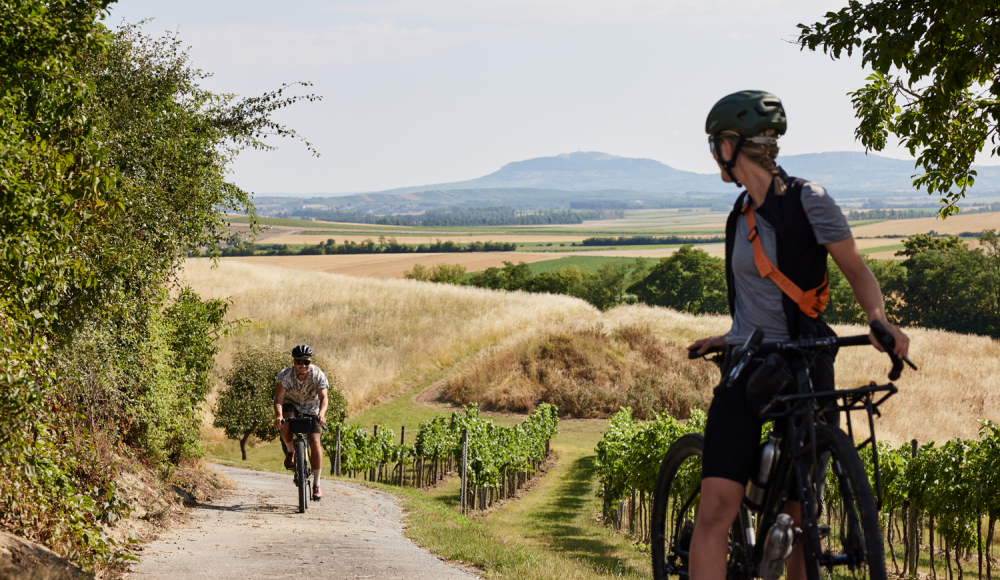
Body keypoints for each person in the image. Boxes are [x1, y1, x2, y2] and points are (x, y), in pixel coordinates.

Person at [688, 90, 910, 580]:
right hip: (747, 369)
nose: (713, 156)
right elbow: (754, 304)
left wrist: (878, 318)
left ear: (729, 145)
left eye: (714, 145)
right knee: (716, 510)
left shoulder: (810, 200)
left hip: (806, 366)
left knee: (801, 521)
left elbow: (856, 269)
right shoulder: (740, 213)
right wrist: (729, 337)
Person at [274, 344, 330, 501]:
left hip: (312, 409)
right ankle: (291, 451)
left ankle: (317, 484)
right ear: (294, 362)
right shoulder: (285, 375)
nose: (303, 366)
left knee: (314, 441)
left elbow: (324, 398)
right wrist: (279, 416)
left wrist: (321, 414)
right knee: (285, 422)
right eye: (300, 362)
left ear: (310, 361)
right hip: (291, 404)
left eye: (307, 362)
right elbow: (278, 399)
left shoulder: (318, 374)